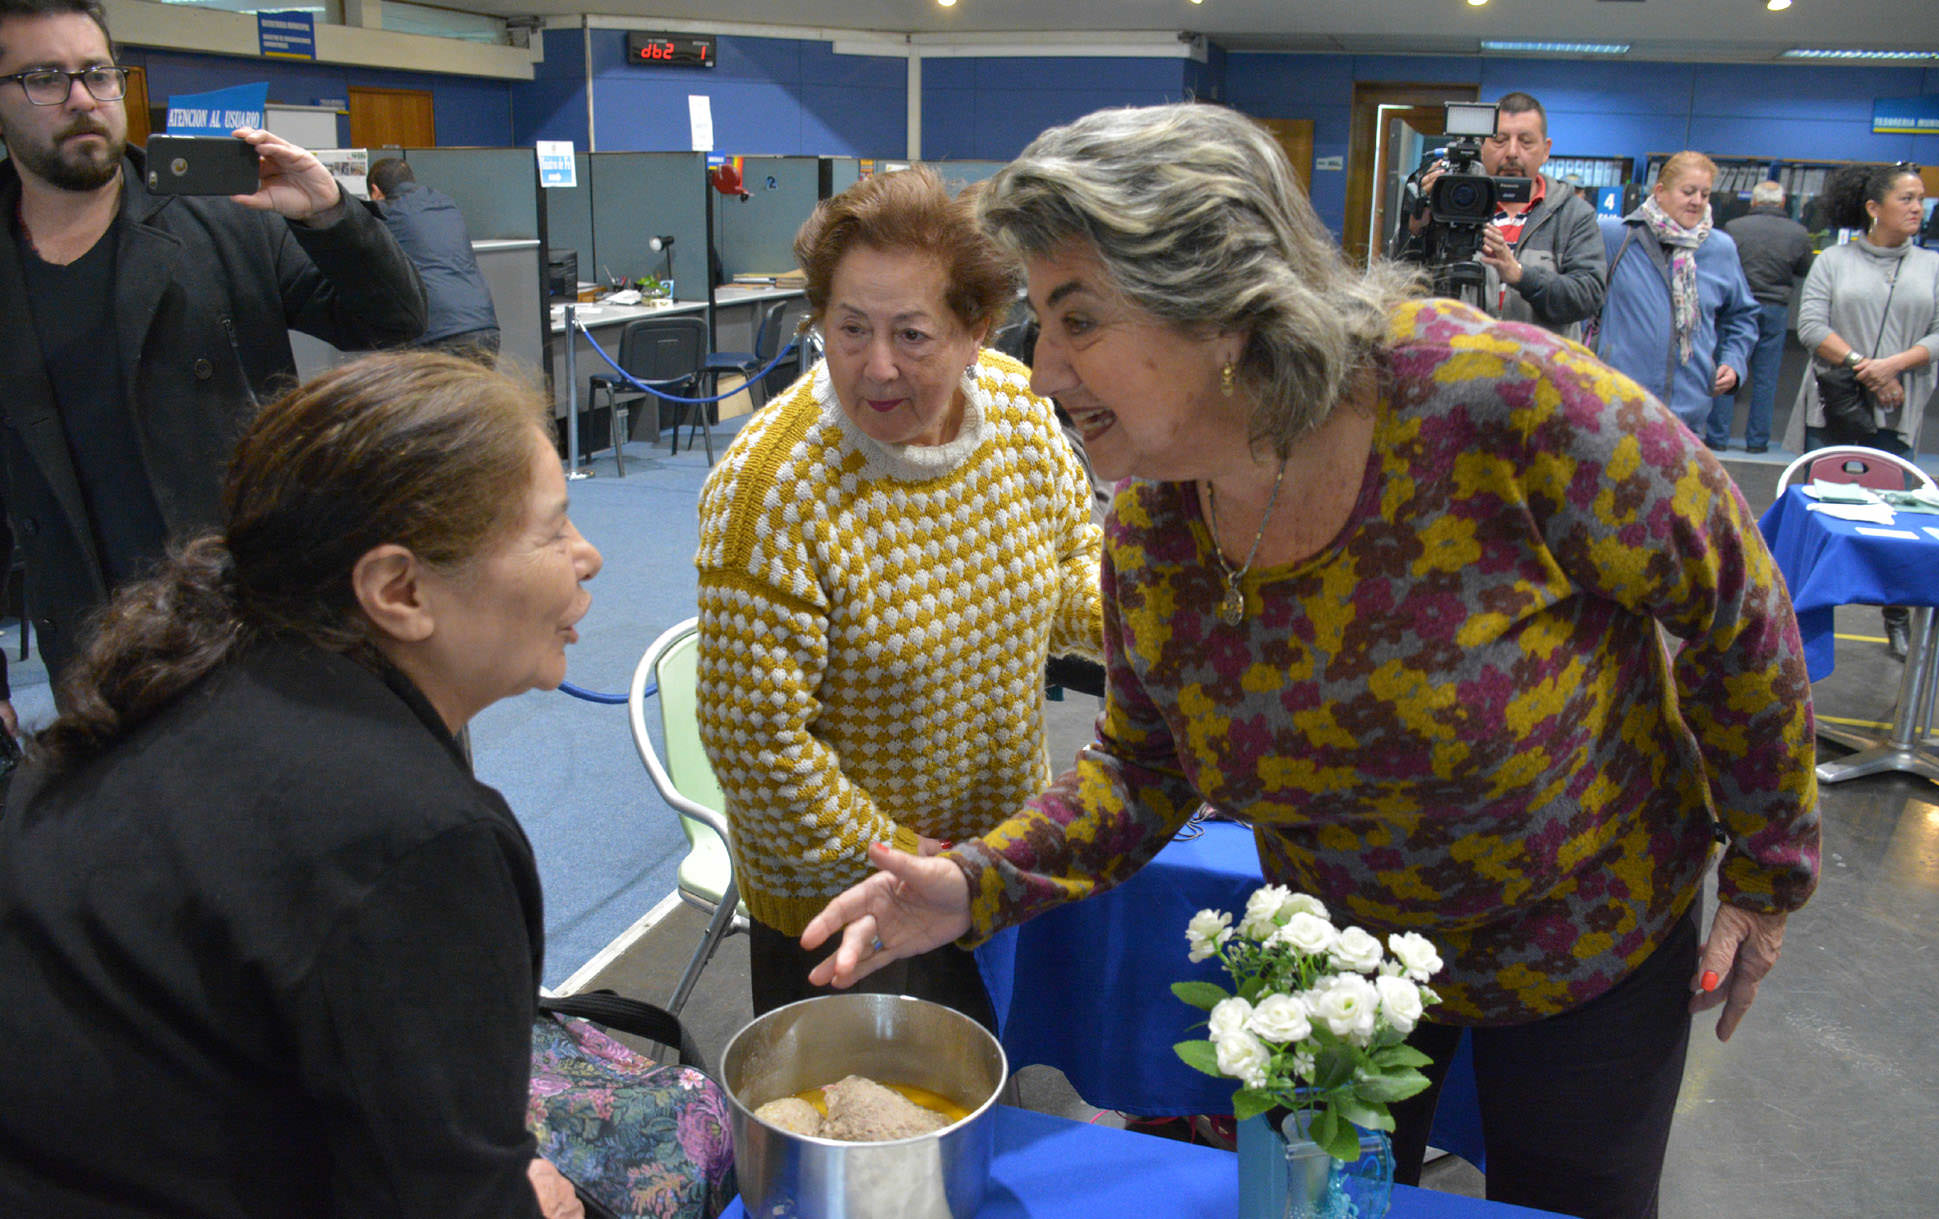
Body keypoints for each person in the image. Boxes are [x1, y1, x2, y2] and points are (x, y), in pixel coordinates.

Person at [800, 104, 1820, 1219]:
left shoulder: (1499, 403)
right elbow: (1143, 766)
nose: (1041, 371)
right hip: (1334, 968)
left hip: (1583, 937)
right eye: (1043, 320)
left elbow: (1736, 606)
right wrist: (973, 881)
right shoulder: (1155, 526)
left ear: (1223, 309)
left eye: (1077, 317)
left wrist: (1766, 873)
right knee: (1306, 1206)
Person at [0, 351, 599, 1217]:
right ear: (398, 589)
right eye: (552, 530)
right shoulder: (413, 837)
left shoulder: (181, 682)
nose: (588, 556)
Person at [693, 165, 1104, 1029]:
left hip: (992, 854)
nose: (875, 366)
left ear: (976, 329)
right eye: (849, 329)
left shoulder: (1019, 415)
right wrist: (896, 859)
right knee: (873, 1135)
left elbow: (1068, 571)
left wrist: (1163, 619)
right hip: (853, 895)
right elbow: (753, 737)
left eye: (912, 335)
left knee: (983, 1099)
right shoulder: (772, 487)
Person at [0, 0, 427, 730]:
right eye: (44, 78)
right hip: (87, 639)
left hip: (247, 611)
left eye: (96, 74)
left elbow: (388, 319)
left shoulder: (219, 217)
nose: (81, 99)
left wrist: (326, 213)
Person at [1781, 162, 1939, 661]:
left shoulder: (1933, 267)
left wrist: (1895, 366)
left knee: (1898, 521)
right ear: (1874, 208)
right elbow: (1812, 326)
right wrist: (1866, 368)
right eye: (1907, 198)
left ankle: (1896, 617)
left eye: (1921, 198)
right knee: (1818, 516)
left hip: (1896, 412)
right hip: (1830, 410)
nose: (1918, 207)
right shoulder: (1833, 260)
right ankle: (1797, 625)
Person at [1394, 91, 1607, 339]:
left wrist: (1520, 275)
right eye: (1499, 140)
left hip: (1538, 373)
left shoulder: (1573, 214)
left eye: (1526, 141)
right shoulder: (1447, 204)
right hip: (1458, 366)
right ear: (1482, 145)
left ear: (1546, 150)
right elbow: (1399, 285)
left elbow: (1588, 297)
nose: (1512, 152)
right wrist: (1417, 227)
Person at [1594, 150, 1760, 438]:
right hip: (1618, 405)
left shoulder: (1720, 249)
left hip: (1688, 412)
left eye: (1705, 194)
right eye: (1688, 191)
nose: (1697, 201)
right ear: (1660, 192)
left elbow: (1743, 316)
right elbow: (1581, 300)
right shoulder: (1616, 237)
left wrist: (1733, 362)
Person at [1706, 180, 1814, 453]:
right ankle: (1758, 442)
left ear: (1753, 202)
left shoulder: (1733, 229)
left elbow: (1722, 267)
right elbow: (1804, 270)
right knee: (1766, 378)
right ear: (1782, 202)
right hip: (1776, 309)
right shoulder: (1799, 233)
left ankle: (1717, 437)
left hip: (1735, 309)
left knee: (1725, 371)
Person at [368, 156, 503, 360]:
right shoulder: (446, 205)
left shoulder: (384, 213)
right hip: (482, 324)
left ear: (376, 191)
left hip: (438, 333)